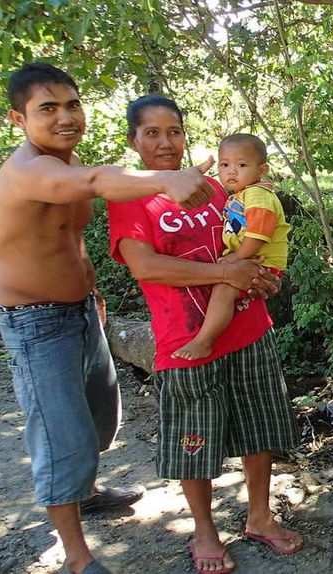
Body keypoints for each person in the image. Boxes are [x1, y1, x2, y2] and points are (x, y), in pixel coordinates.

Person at [0, 62, 215, 574]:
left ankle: (86, 493)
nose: (65, 117)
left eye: (71, 105)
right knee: (60, 434)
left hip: (81, 311)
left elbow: (71, 235)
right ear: (17, 119)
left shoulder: (66, 162)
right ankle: (74, 555)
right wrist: (167, 178)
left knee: (98, 417)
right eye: (48, 108)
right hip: (35, 323)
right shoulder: (31, 169)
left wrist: (91, 292)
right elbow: (97, 181)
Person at [108, 94, 300, 574]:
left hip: (249, 327)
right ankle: (205, 530)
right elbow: (146, 266)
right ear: (133, 141)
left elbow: (248, 244)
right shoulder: (131, 200)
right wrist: (225, 273)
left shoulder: (216, 188)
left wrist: (261, 278)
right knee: (194, 437)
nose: (165, 142)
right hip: (184, 338)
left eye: (173, 130)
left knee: (260, 427)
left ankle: (259, 516)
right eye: (151, 133)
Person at [172, 133, 289, 361]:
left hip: (261, 261)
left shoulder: (258, 195)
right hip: (251, 258)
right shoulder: (242, 195)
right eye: (225, 165)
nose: (231, 171)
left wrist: (236, 257)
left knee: (224, 289)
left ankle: (204, 341)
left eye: (241, 165)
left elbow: (258, 235)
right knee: (223, 288)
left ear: (262, 169)